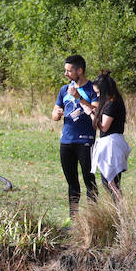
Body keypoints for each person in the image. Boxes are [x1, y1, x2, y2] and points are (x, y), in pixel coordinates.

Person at [50, 54, 99, 216]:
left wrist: (79, 98)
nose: (66, 74)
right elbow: (54, 115)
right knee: (72, 183)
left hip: (85, 141)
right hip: (67, 141)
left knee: (89, 180)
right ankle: (74, 219)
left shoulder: (93, 89)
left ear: (80, 70)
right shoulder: (64, 90)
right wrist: (57, 114)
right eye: (65, 70)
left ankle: (93, 218)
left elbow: (96, 112)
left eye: (69, 71)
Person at [83, 71, 129, 202]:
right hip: (111, 143)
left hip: (111, 145)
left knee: (111, 182)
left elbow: (103, 127)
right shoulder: (113, 102)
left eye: (98, 93)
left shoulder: (112, 104)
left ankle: (121, 211)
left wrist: (90, 114)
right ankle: (120, 211)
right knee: (109, 181)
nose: (97, 96)